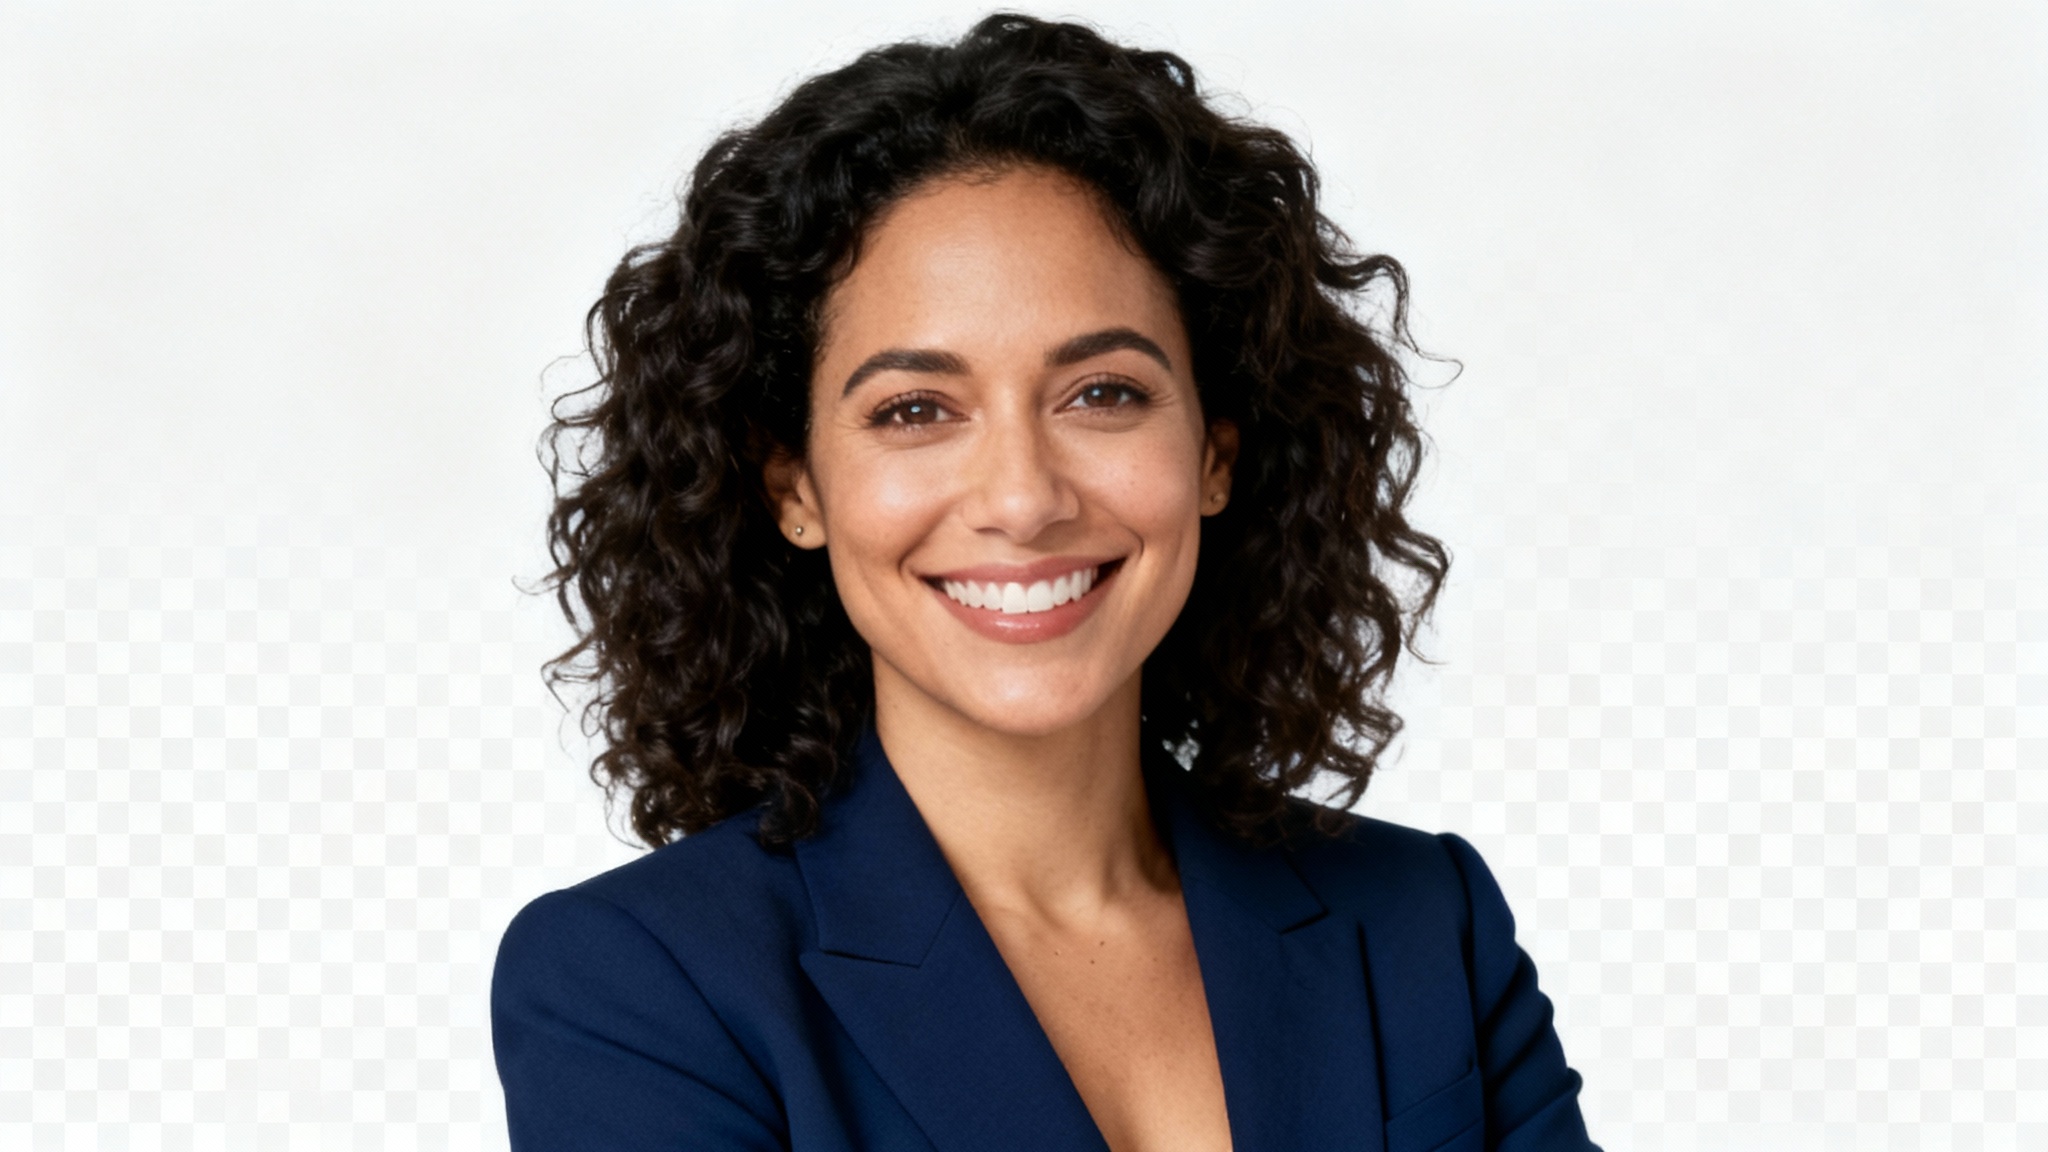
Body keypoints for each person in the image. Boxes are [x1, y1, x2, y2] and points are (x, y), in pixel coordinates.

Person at [492, 13, 1599, 1151]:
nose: (1021, 499)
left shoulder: (1422, 926)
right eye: (914, 411)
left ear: (1214, 453)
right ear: (795, 489)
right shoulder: (640, 986)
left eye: (1102, 393)